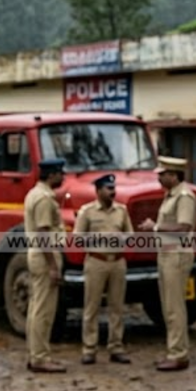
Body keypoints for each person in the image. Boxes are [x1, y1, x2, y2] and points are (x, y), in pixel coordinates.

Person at [138, 156, 196, 371]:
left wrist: (154, 228)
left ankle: (179, 354)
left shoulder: (184, 197)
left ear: (174, 175)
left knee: (175, 307)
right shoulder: (170, 196)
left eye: (163, 175)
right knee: (167, 306)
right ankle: (174, 350)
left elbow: (183, 228)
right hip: (166, 254)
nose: (159, 178)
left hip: (177, 255)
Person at [74, 173, 134, 365]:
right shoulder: (87, 211)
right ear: (98, 191)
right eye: (108, 189)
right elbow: (78, 237)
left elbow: (130, 234)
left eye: (113, 188)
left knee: (117, 306)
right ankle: (89, 348)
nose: (112, 192)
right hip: (96, 261)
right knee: (92, 306)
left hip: (117, 261)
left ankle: (116, 346)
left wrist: (122, 239)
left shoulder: (121, 211)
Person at [23, 158, 67, 373]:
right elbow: (43, 234)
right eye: (61, 173)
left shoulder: (36, 193)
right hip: (44, 255)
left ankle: (35, 354)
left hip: (38, 255)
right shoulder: (44, 199)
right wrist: (53, 266)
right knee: (44, 309)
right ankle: (40, 357)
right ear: (52, 175)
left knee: (36, 306)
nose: (63, 177)